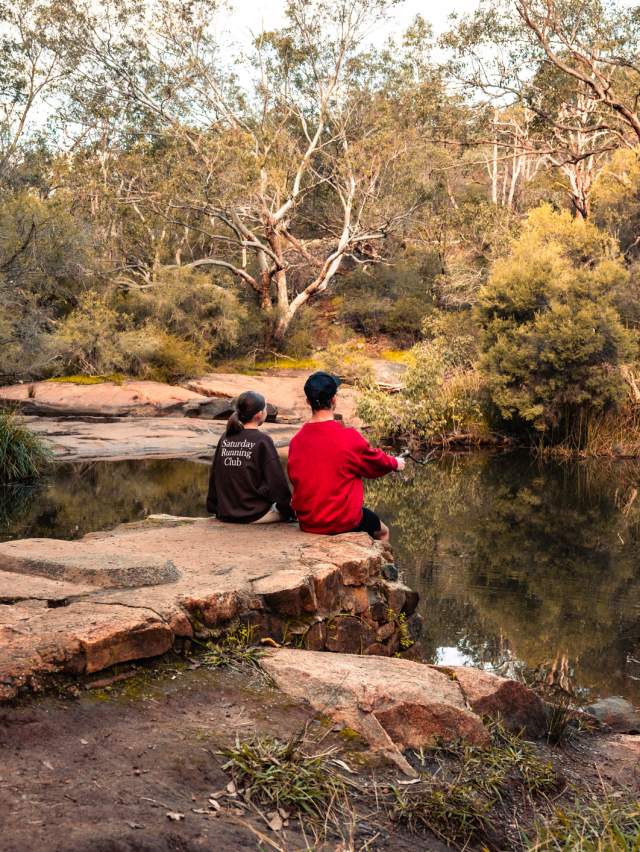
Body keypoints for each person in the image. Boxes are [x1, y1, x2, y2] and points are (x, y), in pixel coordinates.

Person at [287, 371, 405, 541]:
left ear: (308, 401)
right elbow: (374, 464)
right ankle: (381, 558)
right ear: (334, 400)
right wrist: (395, 463)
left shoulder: (296, 441)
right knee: (383, 531)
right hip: (342, 522)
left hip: (308, 522)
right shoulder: (348, 437)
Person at [206, 390, 294, 524]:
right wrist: (289, 511)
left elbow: (215, 474)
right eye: (265, 408)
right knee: (287, 511)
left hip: (225, 513)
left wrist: (214, 507)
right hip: (253, 514)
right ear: (259, 414)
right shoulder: (262, 440)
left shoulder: (225, 437)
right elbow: (277, 484)